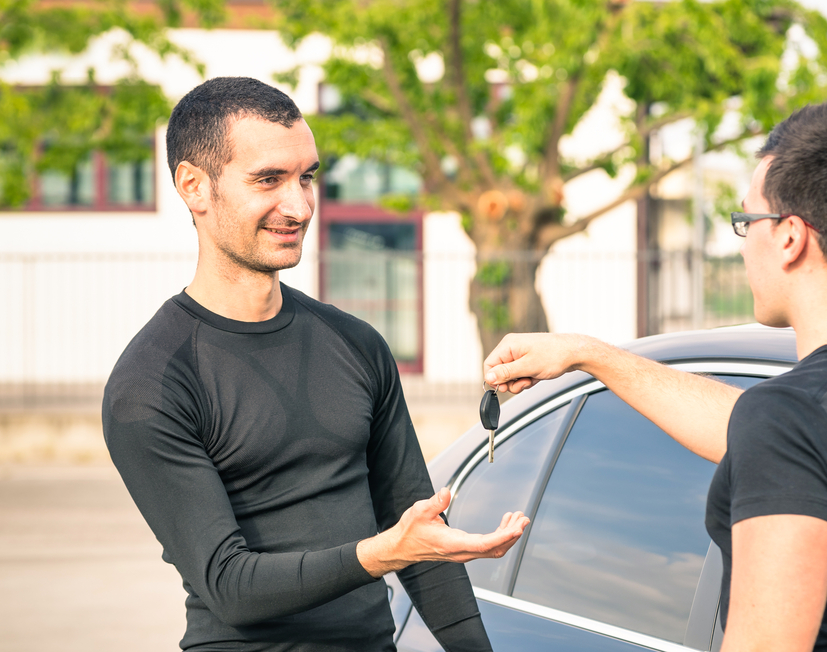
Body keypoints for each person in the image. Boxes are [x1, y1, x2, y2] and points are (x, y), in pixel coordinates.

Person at [483, 100, 827, 652]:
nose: (743, 243)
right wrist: (589, 354)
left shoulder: (793, 420)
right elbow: (770, 430)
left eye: (746, 222)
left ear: (791, 237)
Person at [103, 76, 528, 652]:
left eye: (307, 177)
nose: (299, 205)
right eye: (269, 179)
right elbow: (229, 585)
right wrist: (383, 553)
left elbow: (420, 537)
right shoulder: (153, 382)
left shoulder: (356, 344)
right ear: (194, 187)